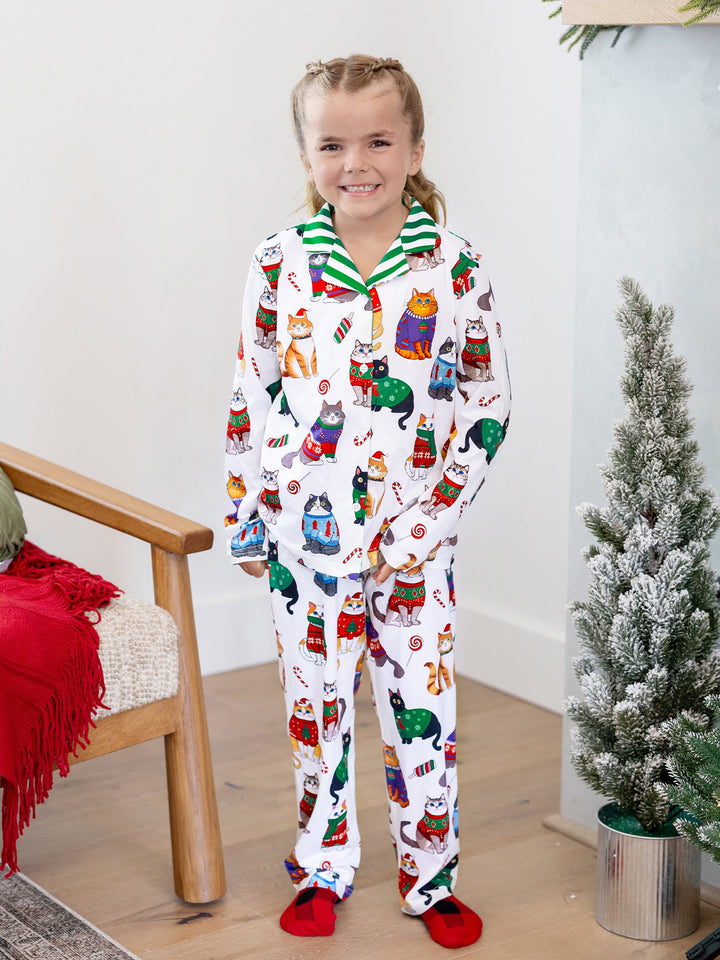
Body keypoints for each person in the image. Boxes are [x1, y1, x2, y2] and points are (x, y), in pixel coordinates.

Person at [224, 54, 510, 949]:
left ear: (416, 148)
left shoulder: (453, 269)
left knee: (424, 711)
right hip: (303, 540)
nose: (358, 162)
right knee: (316, 708)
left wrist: (427, 524)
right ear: (308, 156)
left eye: (380, 140)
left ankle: (432, 880)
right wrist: (244, 513)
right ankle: (322, 865)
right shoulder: (278, 264)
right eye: (334, 143)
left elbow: (486, 408)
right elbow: (252, 394)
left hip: (414, 548)